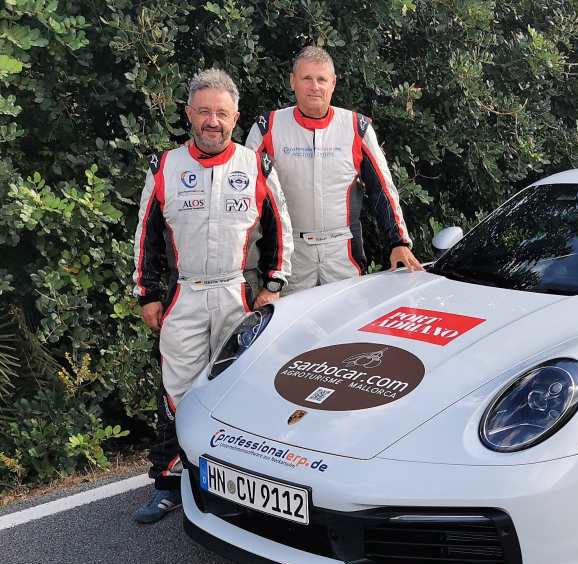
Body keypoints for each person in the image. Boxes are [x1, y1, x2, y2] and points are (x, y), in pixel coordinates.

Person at [132, 68, 293, 523]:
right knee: (176, 390)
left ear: (235, 117)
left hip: (236, 294)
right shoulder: (165, 166)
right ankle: (167, 482)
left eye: (221, 113)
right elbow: (145, 235)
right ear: (188, 114)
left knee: (237, 388)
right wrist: (146, 293)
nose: (212, 121)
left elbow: (280, 229)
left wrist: (274, 285)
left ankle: (239, 485)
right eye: (203, 111)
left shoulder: (255, 164)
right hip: (182, 295)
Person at [245, 46, 422, 293]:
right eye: (306, 78)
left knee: (344, 324)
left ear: (333, 83)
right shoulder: (267, 127)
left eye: (321, 79)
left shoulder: (356, 127)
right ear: (292, 81)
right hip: (290, 253)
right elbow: (242, 189)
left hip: (343, 253)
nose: (314, 86)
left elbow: (383, 188)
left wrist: (398, 242)